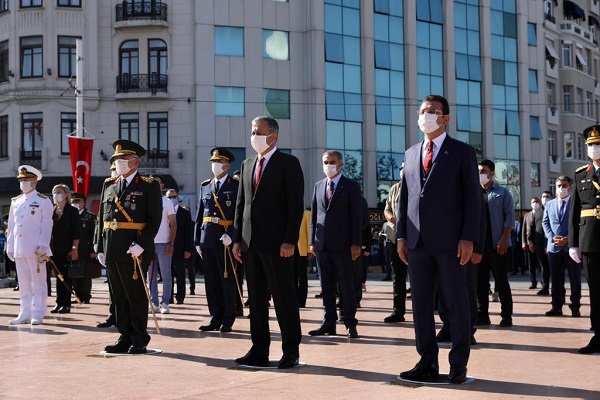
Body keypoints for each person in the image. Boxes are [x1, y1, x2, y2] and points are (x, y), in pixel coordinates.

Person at [396, 95, 481, 384]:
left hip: (451, 242)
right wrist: (401, 236)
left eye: (433, 111)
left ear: (445, 118)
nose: (427, 116)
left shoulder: (461, 152)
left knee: (456, 304)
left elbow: (472, 199)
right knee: (420, 305)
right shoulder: (410, 153)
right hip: (417, 242)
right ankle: (427, 361)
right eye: (423, 111)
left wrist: (469, 237)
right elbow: (405, 198)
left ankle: (458, 363)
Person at [232, 116, 304, 369]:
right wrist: (237, 239)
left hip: (278, 245)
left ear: (272, 136)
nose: (254, 136)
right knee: (257, 300)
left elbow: (295, 206)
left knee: (284, 298)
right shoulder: (247, 163)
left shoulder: (288, 163)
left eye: (258, 132)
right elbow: (241, 205)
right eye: (252, 131)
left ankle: (290, 350)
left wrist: (289, 241)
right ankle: (259, 349)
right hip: (251, 244)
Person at [95, 139, 162, 354]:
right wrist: (99, 246)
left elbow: (155, 220)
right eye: (116, 159)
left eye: (123, 159)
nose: (118, 162)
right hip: (112, 248)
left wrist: (141, 245)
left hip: (135, 250)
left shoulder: (148, 185)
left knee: (135, 295)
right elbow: (101, 218)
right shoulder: (109, 184)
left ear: (135, 161)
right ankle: (124, 335)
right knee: (118, 295)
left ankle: (139, 337)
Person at [309, 150, 362, 338]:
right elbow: (314, 216)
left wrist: (356, 242)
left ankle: (349, 323)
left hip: (344, 245)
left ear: (340, 164)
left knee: (346, 287)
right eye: (325, 162)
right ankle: (328, 323)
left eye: (332, 162)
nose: (328, 165)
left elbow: (357, 217)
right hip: (322, 244)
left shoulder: (351, 186)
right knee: (326, 287)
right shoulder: (318, 186)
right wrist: (312, 242)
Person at [195, 148, 239, 332]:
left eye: (219, 161)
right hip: (208, 238)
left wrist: (234, 236)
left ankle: (228, 318)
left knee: (226, 280)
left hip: (225, 239)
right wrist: (197, 240)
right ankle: (215, 317)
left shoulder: (235, 185)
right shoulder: (206, 185)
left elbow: (239, 215)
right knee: (211, 281)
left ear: (227, 165)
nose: (215, 165)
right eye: (213, 161)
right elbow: (199, 215)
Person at [6, 165, 54, 325]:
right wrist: (10, 245)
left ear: (34, 181)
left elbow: (47, 224)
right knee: (24, 283)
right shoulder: (16, 201)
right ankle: (24, 311)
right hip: (20, 248)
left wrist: (43, 246)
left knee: (38, 282)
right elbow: (12, 226)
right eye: (21, 180)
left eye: (26, 180)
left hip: (36, 249)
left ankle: (38, 312)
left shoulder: (43, 200)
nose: (23, 183)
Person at [568, 125, 600, 354]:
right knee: (596, 291)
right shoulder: (581, 174)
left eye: (597, 144)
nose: (594, 148)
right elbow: (575, 210)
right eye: (590, 145)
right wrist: (573, 243)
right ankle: (598, 335)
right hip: (589, 240)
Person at [476, 159, 515, 328]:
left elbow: (509, 218)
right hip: (479, 246)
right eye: (478, 171)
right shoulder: (473, 192)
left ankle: (506, 316)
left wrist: (504, 239)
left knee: (501, 281)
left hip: (498, 244)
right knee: (480, 283)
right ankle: (482, 315)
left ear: (492, 173)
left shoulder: (502, 192)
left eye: (483, 171)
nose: (480, 174)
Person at [542, 176, 581, 317]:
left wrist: (569, 239)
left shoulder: (576, 204)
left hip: (571, 248)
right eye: (558, 185)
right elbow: (545, 222)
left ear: (570, 187)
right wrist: (551, 237)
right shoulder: (550, 204)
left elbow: (579, 224)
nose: (561, 188)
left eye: (564, 185)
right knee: (556, 280)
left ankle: (575, 306)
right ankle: (556, 306)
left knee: (574, 279)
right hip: (554, 247)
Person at [147, 175, 176, 314]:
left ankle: (165, 302)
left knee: (166, 274)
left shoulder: (167, 202)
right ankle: (154, 302)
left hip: (164, 243)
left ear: (162, 186)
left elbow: (173, 224)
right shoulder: (146, 201)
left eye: (156, 183)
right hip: (149, 244)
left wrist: (171, 242)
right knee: (150, 276)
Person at [49, 184, 80, 314]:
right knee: (57, 276)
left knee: (66, 277)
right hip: (54, 249)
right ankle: (58, 302)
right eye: (54, 192)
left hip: (67, 249)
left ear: (66, 195)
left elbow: (77, 232)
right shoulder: (52, 211)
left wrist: (74, 248)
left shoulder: (72, 211)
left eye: (59, 192)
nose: (56, 195)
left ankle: (66, 304)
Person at [383, 164, 408, 323]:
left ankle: (433, 306)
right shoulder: (394, 188)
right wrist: (394, 220)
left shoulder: (419, 185)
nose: (403, 170)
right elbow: (386, 209)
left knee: (423, 278)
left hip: (416, 239)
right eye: (401, 167)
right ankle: (398, 311)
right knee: (397, 277)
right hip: (395, 238)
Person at [167, 189, 194, 305]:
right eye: (169, 197)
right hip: (167, 248)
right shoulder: (163, 211)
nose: (171, 199)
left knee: (180, 273)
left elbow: (189, 232)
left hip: (180, 248)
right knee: (168, 274)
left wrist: (188, 249)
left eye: (173, 197)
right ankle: (169, 297)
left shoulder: (184, 213)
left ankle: (180, 296)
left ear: (177, 198)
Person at [71, 192, 96, 304]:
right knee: (74, 274)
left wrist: (93, 250)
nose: (76, 204)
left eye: (78, 202)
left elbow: (93, 235)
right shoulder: (70, 216)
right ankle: (77, 296)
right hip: (73, 249)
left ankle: (86, 296)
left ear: (83, 203)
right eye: (73, 202)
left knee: (85, 275)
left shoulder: (90, 216)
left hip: (85, 249)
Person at [531, 196, 551, 295]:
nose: (545, 199)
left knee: (555, 267)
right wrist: (530, 240)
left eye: (547, 197)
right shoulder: (538, 212)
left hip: (552, 242)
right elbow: (532, 227)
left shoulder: (554, 209)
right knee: (543, 266)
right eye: (543, 196)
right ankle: (545, 287)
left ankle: (559, 289)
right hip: (539, 243)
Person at [294, 209, 311, 308]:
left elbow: (309, 231)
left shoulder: (306, 214)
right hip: (291, 248)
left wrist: (309, 250)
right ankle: (294, 298)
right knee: (292, 276)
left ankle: (301, 300)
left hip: (302, 250)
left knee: (302, 276)